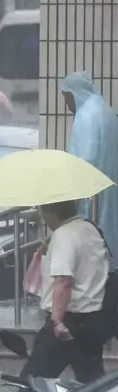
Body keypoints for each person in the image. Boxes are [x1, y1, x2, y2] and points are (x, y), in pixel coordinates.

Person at [15, 199, 110, 392]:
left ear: (54, 211)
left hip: (67, 321)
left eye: (41, 211)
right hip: (91, 320)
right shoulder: (91, 228)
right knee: (95, 387)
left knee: (32, 383)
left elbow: (64, 281)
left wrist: (57, 321)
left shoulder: (65, 235)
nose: (41, 216)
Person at [62, 71, 118, 262]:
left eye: (66, 97)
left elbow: (86, 157)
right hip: (108, 186)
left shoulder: (87, 115)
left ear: (74, 93)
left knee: (94, 238)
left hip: (92, 194)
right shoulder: (104, 109)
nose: (66, 104)